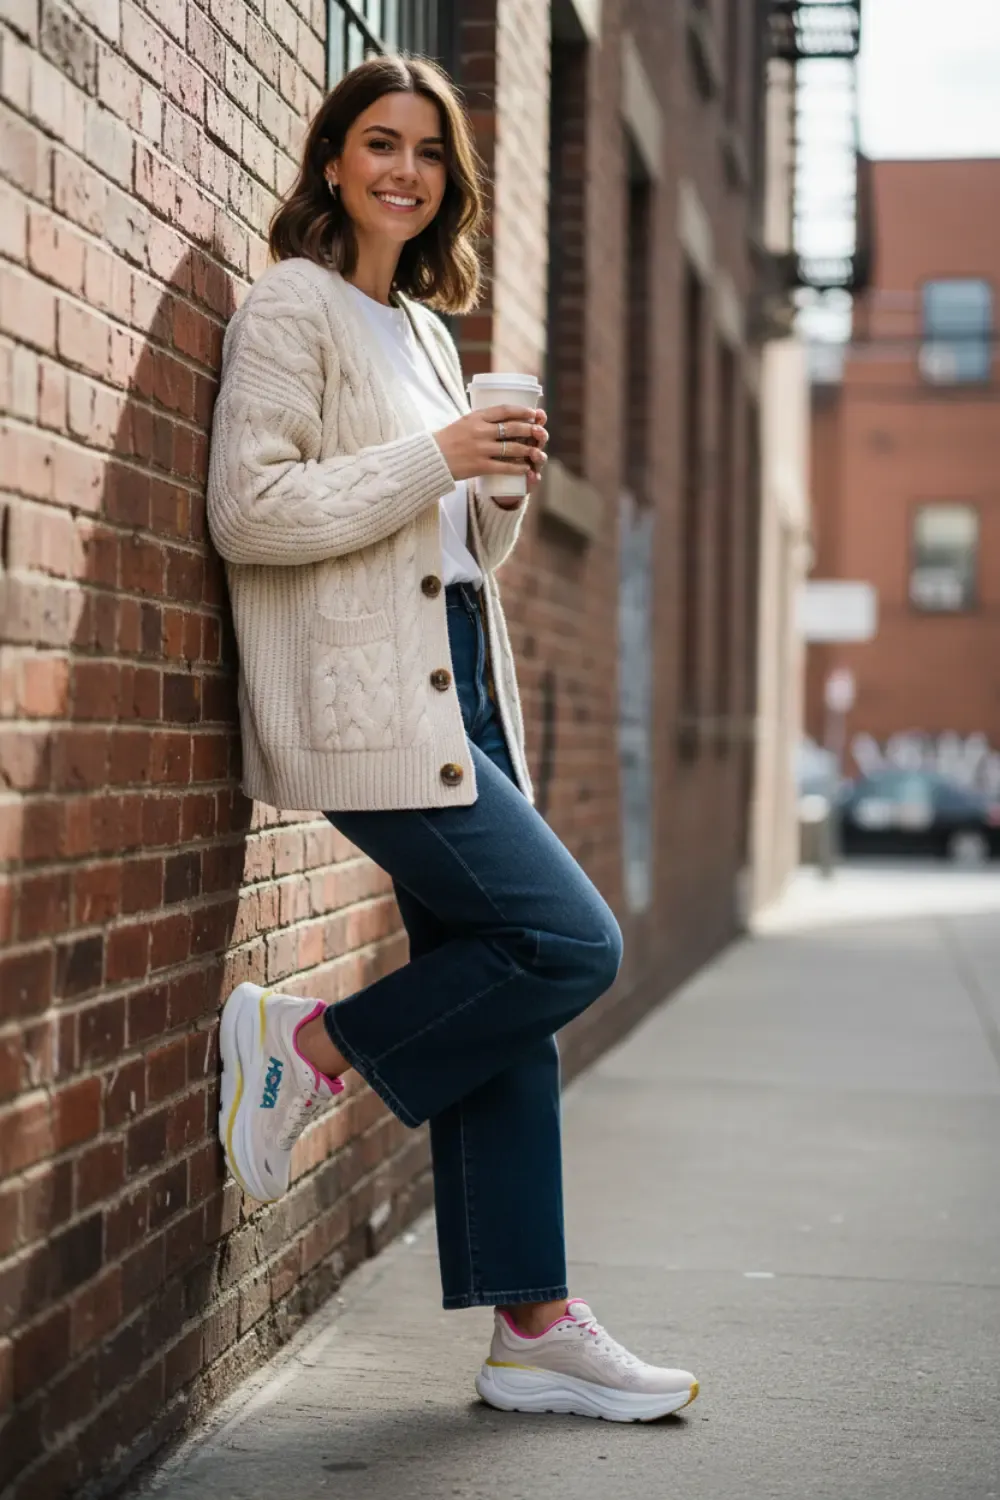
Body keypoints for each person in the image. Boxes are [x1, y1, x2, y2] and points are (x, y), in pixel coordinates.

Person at [207, 52, 698, 1423]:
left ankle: (530, 1324)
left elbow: (448, 543)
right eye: (380, 141)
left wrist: (496, 491)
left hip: (460, 688)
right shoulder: (291, 310)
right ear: (332, 158)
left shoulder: (423, 333)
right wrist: (440, 457)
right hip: (368, 702)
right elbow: (250, 511)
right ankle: (308, 1046)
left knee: (503, 997)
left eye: (428, 150)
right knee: (566, 943)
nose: (404, 169)